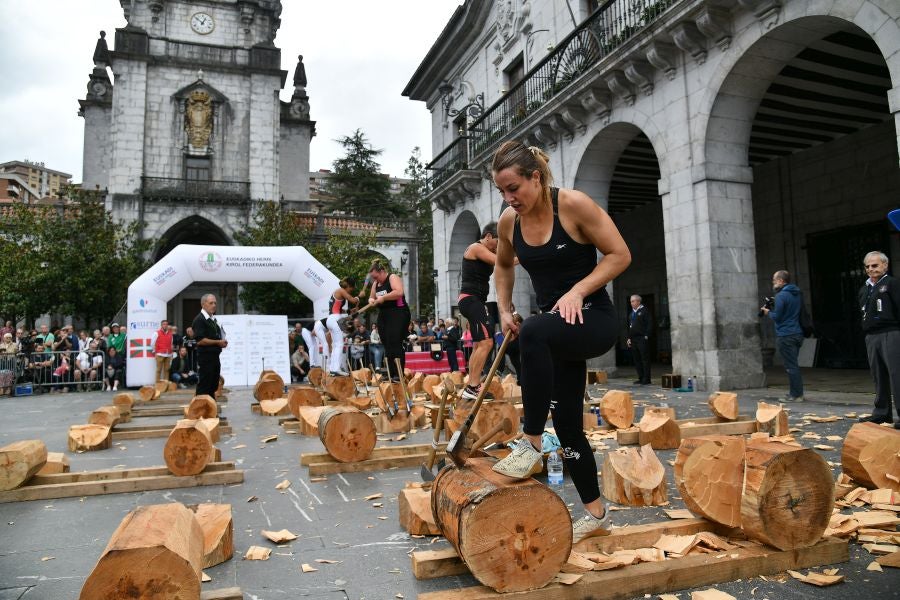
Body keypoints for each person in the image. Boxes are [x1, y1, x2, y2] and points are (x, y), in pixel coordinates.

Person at [489, 141, 631, 543]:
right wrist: (503, 307)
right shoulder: (508, 223)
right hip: (556, 330)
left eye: (514, 188)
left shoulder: (572, 204)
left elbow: (619, 254)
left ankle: (531, 441)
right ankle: (596, 512)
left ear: (535, 177)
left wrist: (578, 291)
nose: (508, 198)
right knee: (568, 423)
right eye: (502, 191)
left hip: (592, 320)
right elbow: (502, 265)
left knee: (532, 330)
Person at [457, 223, 513, 399]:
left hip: (477, 301)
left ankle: (471, 385)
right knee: (487, 343)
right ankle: (473, 386)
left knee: (478, 344)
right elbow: (502, 262)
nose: (497, 246)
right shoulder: (476, 247)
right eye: (496, 241)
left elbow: (502, 271)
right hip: (470, 299)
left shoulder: (489, 251)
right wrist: (528, 256)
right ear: (488, 236)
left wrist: (506, 303)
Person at [857, 251, 900, 428]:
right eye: (867, 266)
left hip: (890, 333)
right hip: (871, 336)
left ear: (885, 265)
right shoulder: (864, 288)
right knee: (878, 375)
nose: (870, 269)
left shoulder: (892, 283)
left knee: (896, 375)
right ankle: (882, 413)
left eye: (874, 265)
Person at [760, 270, 804, 402]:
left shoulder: (781, 296)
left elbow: (778, 317)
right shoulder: (796, 293)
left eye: (774, 280)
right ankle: (796, 393)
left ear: (780, 281)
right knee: (794, 364)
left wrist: (768, 312)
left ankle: (796, 395)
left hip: (786, 334)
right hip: (797, 333)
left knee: (791, 366)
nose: (773, 283)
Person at [368, 260, 411, 380]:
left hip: (398, 312)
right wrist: (371, 300)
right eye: (373, 278)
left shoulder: (392, 277)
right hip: (384, 314)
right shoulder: (375, 284)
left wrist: (384, 297)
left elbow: (399, 292)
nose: (375, 280)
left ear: (382, 271)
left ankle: (398, 373)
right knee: (386, 342)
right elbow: (371, 297)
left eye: (376, 277)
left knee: (395, 342)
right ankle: (390, 372)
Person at [192, 293, 228, 397]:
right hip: (206, 357)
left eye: (215, 303)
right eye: (211, 303)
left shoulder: (212, 319)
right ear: (203, 304)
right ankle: (200, 410)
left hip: (214, 356)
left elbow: (215, 336)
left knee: (213, 385)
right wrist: (218, 342)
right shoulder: (199, 319)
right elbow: (200, 340)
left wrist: (221, 342)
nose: (214, 305)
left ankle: (211, 411)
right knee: (205, 385)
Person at [325, 278, 361, 376]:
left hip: (332, 319)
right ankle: (336, 369)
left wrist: (350, 311)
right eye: (351, 289)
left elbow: (339, 310)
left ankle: (333, 369)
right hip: (335, 320)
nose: (351, 291)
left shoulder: (338, 292)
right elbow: (353, 300)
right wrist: (359, 297)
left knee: (336, 345)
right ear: (349, 286)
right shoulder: (341, 290)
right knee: (339, 344)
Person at [627, 294, 652, 385]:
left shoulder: (644, 311)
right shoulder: (631, 314)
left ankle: (647, 379)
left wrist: (646, 336)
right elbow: (630, 327)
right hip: (633, 339)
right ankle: (641, 377)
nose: (631, 303)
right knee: (636, 359)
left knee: (644, 359)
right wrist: (629, 338)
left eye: (633, 301)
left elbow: (649, 324)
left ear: (638, 301)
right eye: (631, 301)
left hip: (642, 338)